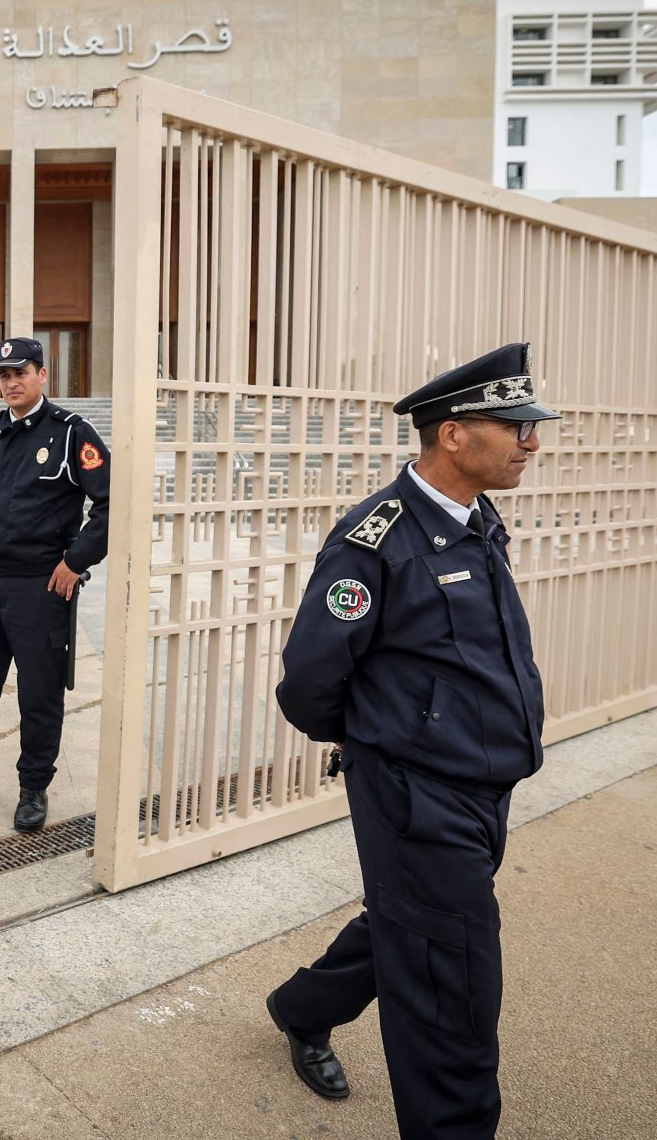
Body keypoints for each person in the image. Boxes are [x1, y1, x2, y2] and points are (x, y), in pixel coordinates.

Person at [263, 342, 560, 1139]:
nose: (532, 442)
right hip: (416, 793)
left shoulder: (476, 522)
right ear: (455, 435)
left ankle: (303, 1007)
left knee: (418, 924)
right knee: (450, 995)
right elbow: (309, 682)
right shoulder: (376, 540)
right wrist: (380, 742)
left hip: (479, 786)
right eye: (516, 426)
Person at [0, 336, 109, 833]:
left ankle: (34, 786)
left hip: (41, 587)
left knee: (39, 692)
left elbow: (110, 502)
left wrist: (75, 561)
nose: (11, 382)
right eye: (4, 376)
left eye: (21, 373)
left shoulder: (72, 433)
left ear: (42, 376)